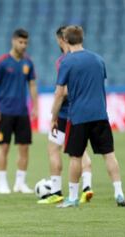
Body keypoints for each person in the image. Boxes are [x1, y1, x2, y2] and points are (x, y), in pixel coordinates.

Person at [52, 26, 125, 208]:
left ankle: (72, 198)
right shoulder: (98, 60)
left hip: (78, 116)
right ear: (82, 39)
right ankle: (119, 192)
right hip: (100, 114)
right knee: (109, 155)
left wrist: (54, 117)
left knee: (75, 157)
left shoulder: (67, 62)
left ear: (66, 40)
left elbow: (60, 93)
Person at [38, 26, 94, 204]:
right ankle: (87, 186)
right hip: (82, 111)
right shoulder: (86, 59)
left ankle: (56, 191)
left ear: (62, 40)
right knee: (81, 150)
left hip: (64, 113)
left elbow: (63, 90)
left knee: (54, 148)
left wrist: (54, 115)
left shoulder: (63, 61)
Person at [0, 29, 38, 194]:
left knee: (24, 148)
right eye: (20, 42)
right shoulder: (1, 62)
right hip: (5, 111)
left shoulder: (28, 63)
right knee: (4, 147)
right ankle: (2, 183)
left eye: (25, 43)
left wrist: (35, 106)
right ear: (13, 41)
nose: (23, 46)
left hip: (22, 112)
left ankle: (20, 183)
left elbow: (32, 85)